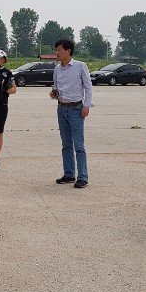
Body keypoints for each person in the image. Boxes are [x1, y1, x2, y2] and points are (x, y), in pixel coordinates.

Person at [51, 39, 93, 188]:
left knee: (79, 145)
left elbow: (88, 87)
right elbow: (56, 87)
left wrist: (86, 105)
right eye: (56, 50)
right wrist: (54, 93)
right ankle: (69, 174)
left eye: (59, 50)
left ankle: (83, 177)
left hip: (76, 109)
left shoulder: (80, 66)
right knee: (66, 144)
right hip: (62, 109)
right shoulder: (57, 69)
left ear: (68, 51)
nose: (56, 53)